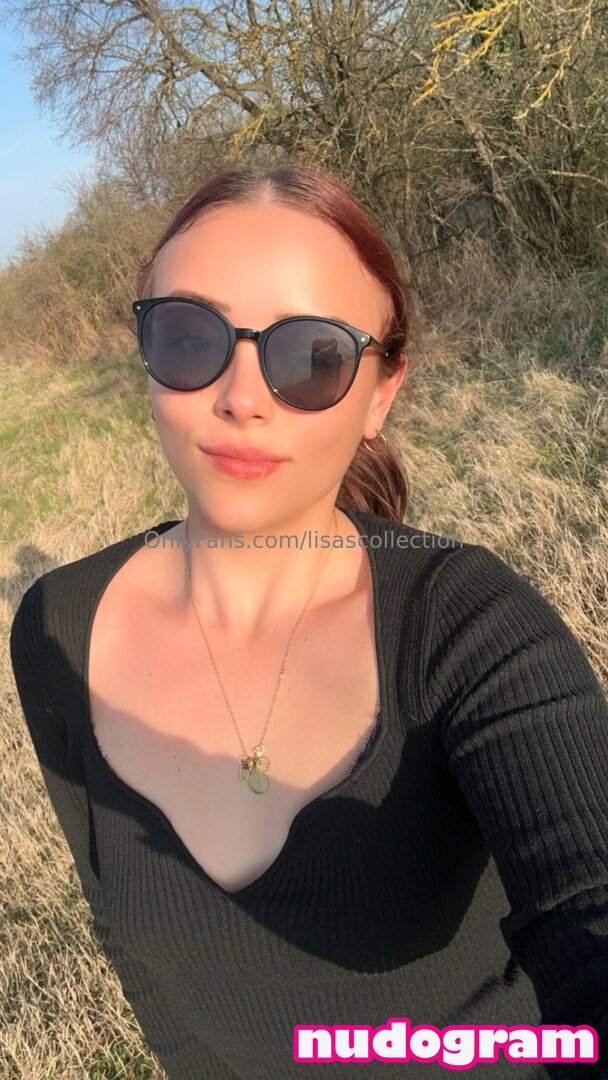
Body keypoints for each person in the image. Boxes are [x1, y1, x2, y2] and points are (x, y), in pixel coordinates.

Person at [9, 162, 608, 1080]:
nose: (242, 397)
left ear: (381, 393)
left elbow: (588, 907)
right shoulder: (58, 626)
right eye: (189, 337)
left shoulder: (468, 626)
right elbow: (138, 957)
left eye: (313, 356)